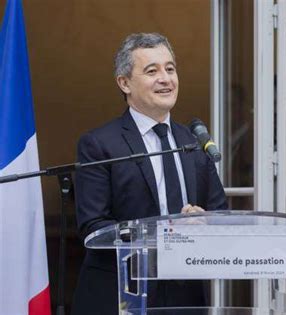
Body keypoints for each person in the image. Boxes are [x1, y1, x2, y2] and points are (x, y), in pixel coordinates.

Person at [72, 33, 228, 315]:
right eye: (152, 71)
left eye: (170, 69)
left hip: (185, 296)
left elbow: (219, 213)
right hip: (122, 295)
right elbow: (93, 226)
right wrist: (164, 233)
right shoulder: (99, 144)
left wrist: (203, 222)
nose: (166, 78)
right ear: (124, 82)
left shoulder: (193, 141)